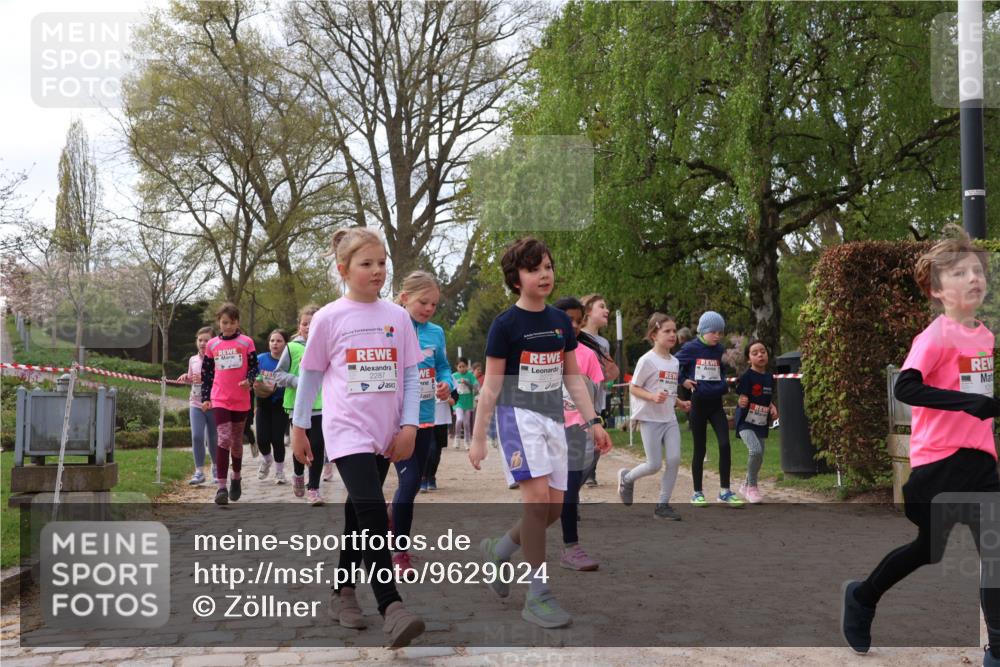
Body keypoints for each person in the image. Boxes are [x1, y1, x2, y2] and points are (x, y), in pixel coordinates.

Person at [841, 232, 1000, 665]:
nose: (973, 278)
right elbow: (906, 387)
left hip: (980, 463)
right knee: (929, 550)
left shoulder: (984, 337)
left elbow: (977, 397)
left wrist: (982, 410)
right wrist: (968, 404)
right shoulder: (936, 336)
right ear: (936, 289)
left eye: (977, 271)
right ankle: (862, 596)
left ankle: (997, 650)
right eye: (959, 273)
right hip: (938, 467)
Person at [290, 226, 424, 648]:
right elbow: (310, 377)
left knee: (357, 514)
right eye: (367, 263)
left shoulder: (397, 317)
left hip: (386, 433)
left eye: (382, 262)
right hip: (346, 430)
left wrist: (409, 426)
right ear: (343, 269)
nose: (377, 270)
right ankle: (391, 606)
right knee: (372, 511)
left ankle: (342, 592)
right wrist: (298, 427)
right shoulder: (329, 318)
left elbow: (411, 376)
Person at [470, 237, 612, 629]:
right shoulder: (505, 325)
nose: (544, 274)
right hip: (517, 418)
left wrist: (593, 422)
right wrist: (479, 437)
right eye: (533, 269)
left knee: (552, 510)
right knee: (535, 505)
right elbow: (491, 386)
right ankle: (538, 595)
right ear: (516, 279)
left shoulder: (560, 322)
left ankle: (499, 551)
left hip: (554, 421)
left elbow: (573, 378)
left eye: (547, 266)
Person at [390, 270, 454, 573]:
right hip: (397, 420)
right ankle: (399, 552)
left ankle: (393, 514)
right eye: (423, 302)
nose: (429, 309)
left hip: (426, 417)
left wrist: (446, 384)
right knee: (411, 478)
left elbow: (443, 367)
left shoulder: (436, 332)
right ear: (405, 298)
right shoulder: (389, 326)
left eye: (434, 304)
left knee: (413, 483)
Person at [553, 296, 612, 571]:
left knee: (570, 487)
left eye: (579, 321)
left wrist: (595, 424)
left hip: (577, 427)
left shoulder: (587, 354)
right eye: (569, 321)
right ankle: (506, 546)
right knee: (549, 496)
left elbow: (594, 394)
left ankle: (571, 547)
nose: (575, 326)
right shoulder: (542, 352)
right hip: (546, 428)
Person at [618, 313, 691, 520]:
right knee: (654, 465)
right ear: (653, 335)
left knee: (674, 459)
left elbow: (668, 390)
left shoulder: (674, 362)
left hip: (669, 418)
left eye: (674, 331)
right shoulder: (647, 360)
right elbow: (633, 388)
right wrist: (651, 396)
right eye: (667, 331)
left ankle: (662, 505)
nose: (672, 335)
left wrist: (679, 402)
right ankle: (627, 478)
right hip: (650, 418)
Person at [676, 310, 744, 508]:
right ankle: (697, 492)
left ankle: (725, 491)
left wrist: (723, 384)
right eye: (714, 332)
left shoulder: (719, 349)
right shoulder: (691, 348)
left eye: (720, 332)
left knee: (725, 444)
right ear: (703, 331)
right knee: (700, 448)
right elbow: (673, 365)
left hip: (716, 404)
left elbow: (720, 370)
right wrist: (683, 381)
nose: (717, 336)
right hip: (698, 403)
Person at [201, 303, 258, 506]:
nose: (228, 326)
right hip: (220, 398)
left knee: (236, 441)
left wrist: (249, 380)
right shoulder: (212, 345)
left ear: (237, 322)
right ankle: (221, 487)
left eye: (232, 322)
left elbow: (254, 367)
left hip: (240, 399)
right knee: (223, 438)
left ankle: (237, 477)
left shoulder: (246, 342)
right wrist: (205, 398)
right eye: (225, 322)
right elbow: (207, 374)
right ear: (219, 322)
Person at [274, 305, 326, 504]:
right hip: (296, 406)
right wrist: (298, 382)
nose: (308, 327)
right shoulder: (291, 348)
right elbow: (279, 375)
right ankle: (298, 474)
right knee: (300, 446)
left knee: (317, 446)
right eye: (305, 324)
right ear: (299, 326)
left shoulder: (326, 346)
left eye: (313, 324)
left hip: (321, 405)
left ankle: (314, 488)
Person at [580, 294, 619, 485]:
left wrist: (610, 372)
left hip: (597, 396)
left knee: (596, 434)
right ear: (588, 311)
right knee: (580, 436)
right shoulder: (577, 336)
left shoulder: (604, 343)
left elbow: (607, 372)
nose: (607, 310)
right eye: (601, 306)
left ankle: (590, 472)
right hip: (578, 397)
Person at [734, 340, 778, 504]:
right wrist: (741, 401)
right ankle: (752, 487)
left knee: (759, 456)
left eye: (763, 352)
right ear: (749, 359)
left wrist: (772, 406)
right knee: (755, 450)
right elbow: (742, 396)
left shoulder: (769, 377)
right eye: (755, 353)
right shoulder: (747, 377)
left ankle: (745, 484)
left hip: (760, 421)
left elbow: (765, 397)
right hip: (745, 422)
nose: (760, 355)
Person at [177, 326, 218, 485]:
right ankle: (199, 471)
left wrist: (205, 379)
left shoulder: (217, 359)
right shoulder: (192, 360)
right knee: (197, 436)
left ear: (213, 342)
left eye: (206, 340)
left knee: (213, 439)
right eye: (200, 340)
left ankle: (216, 468)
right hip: (195, 403)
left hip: (213, 404)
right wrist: (186, 377)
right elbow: (191, 377)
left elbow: (221, 380)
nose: (202, 343)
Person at [254, 329, 289, 483]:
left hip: (281, 404)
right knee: (262, 439)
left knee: (277, 439)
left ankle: (280, 472)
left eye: (279, 341)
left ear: (285, 344)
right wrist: (257, 382)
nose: (275, 344)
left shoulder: (288, 361)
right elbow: (251, 375)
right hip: (263, 403)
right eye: (272, 340)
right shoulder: (261, 359)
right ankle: (267, 459)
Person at [453, 358, 478, 450]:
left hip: (468, 403)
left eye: (464, 366)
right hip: (458, 402)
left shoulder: (470, 375)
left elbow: (476, 387)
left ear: (467, 366)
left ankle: (467, 442)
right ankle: (457, 438)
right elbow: (451, 388)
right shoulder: (454, 376)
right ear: (456, 367)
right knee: (459, 419)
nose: (462, 368)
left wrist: (467, 383)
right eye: (460, 367)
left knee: (467, 423)